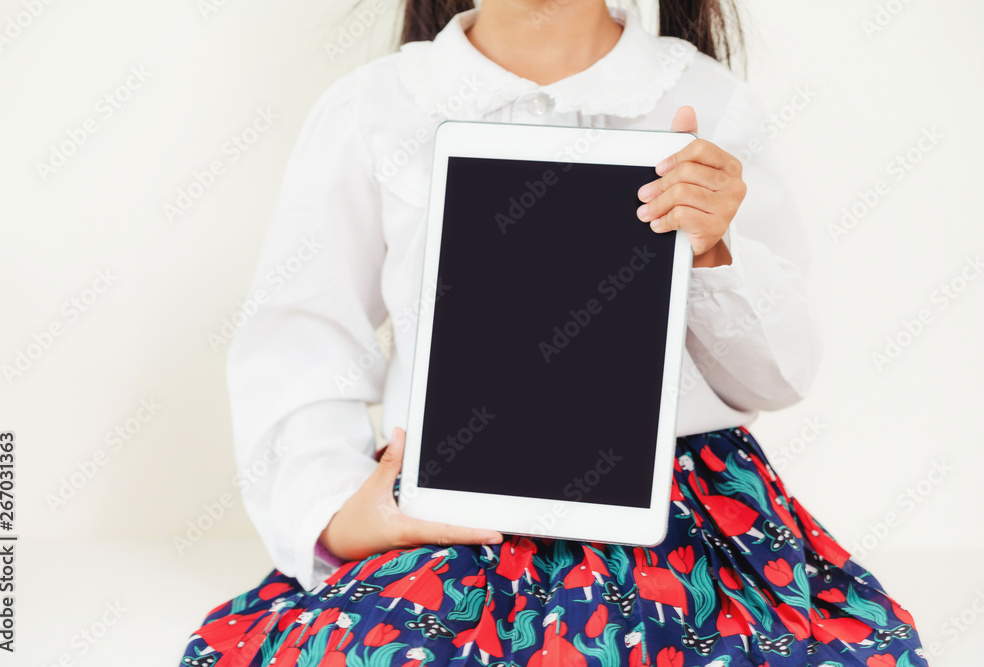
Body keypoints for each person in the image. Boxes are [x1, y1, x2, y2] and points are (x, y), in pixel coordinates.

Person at [180, 1, 930, 664]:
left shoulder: (708, 103)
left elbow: (776, 374)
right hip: (452, 508)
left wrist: (713, 248)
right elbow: (302, 337)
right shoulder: (375, 110)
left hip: (680, 511)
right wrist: (337, 513)